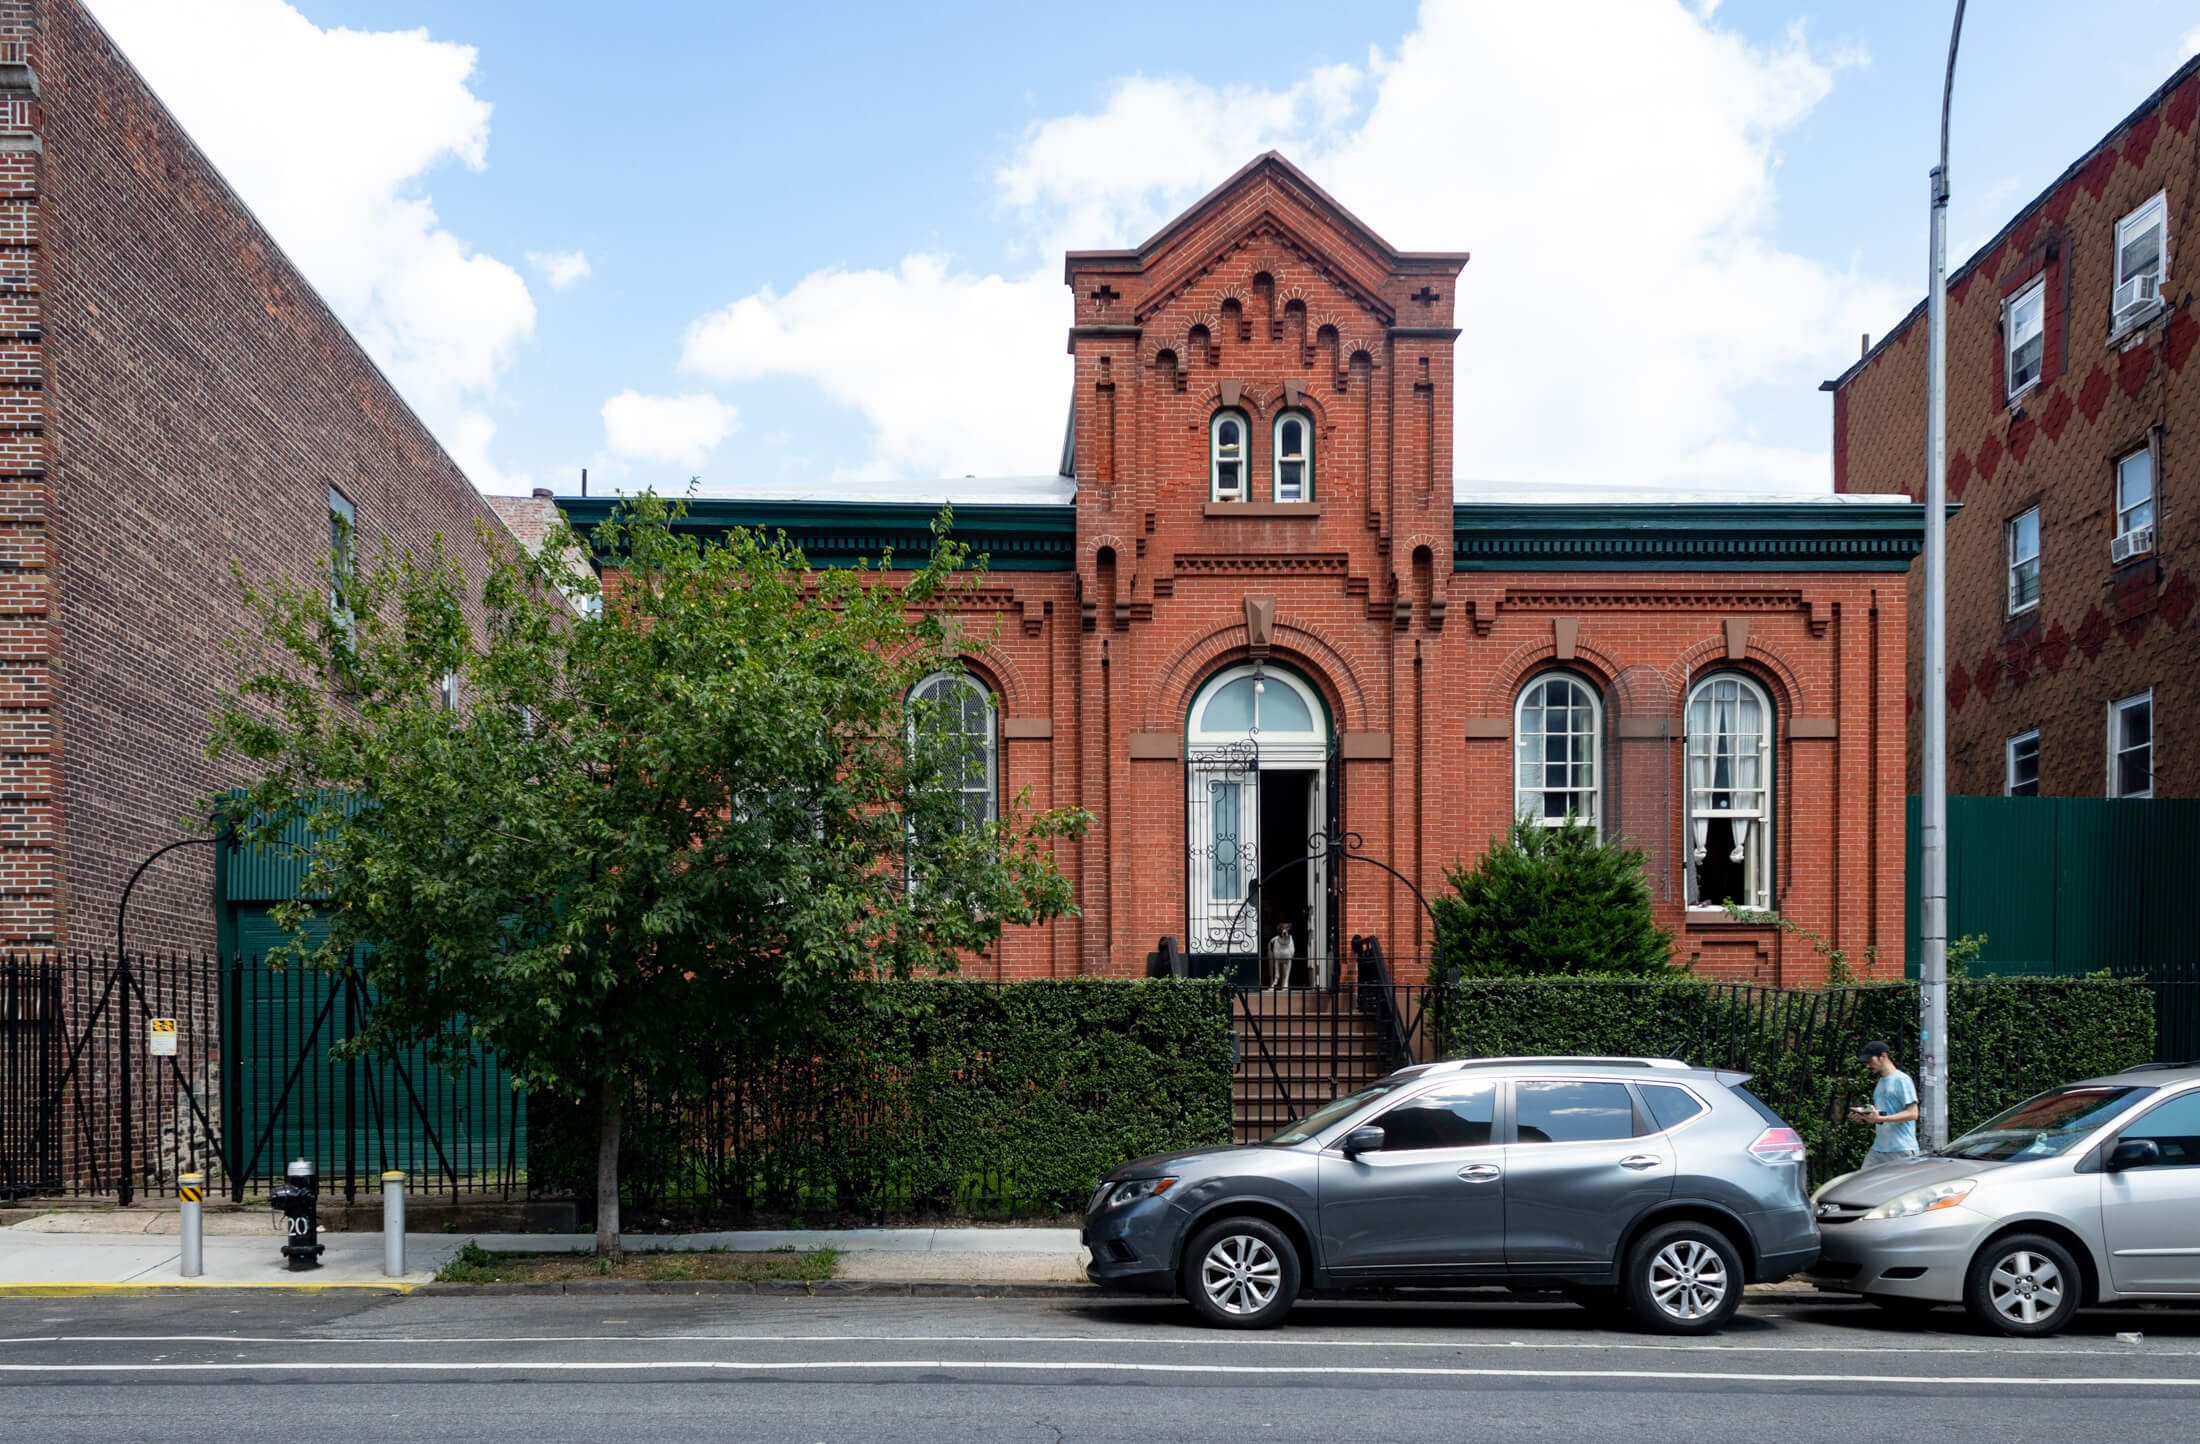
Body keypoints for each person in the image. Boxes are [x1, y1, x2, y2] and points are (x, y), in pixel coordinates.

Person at [1852, 1040, 1921, 1168]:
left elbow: (1913, 1113)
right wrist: (1865, 1115)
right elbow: (1885, 1112)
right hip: (1879, 1149)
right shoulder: (1880, 1083)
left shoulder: (1902, 1080)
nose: (1867, 1065)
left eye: (1869, 1061)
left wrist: (1880, 1118)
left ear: (1883, 1056)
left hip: (1901, 1149)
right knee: (1862, 1183)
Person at [1265, 920, 1295, 991]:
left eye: (1287, 928)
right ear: (1279, 930)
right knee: (1273, 964)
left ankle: (1285, 984)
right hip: (1275, 948)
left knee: (1286, 965)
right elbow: (1276, 962)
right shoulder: (1274, 941)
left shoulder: (1291, 943)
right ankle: (1273, 982)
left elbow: (1289, 963)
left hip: (1287, 950)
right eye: (1282, 928)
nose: (1284, 931)